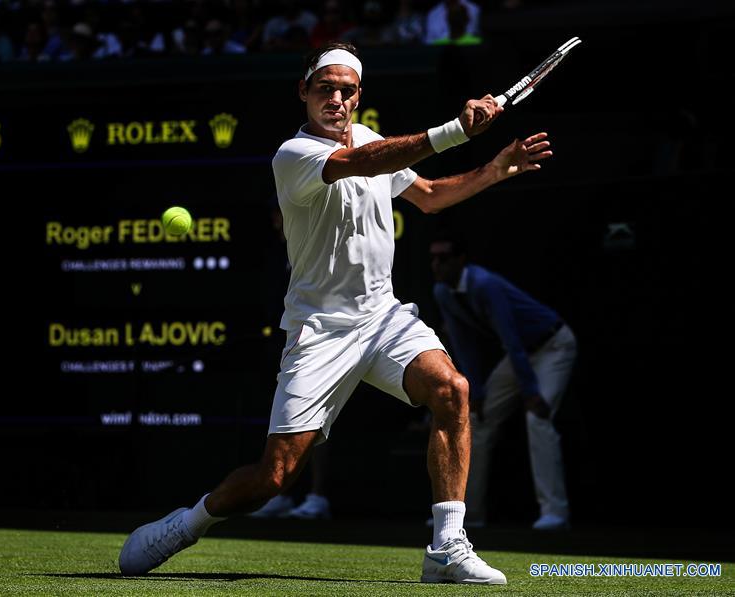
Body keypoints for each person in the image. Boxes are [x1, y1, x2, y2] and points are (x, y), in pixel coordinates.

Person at [118, 41, 552, 585]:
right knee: (274, 477)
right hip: (319, 331)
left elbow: (430, 196)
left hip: (383, 318)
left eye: (347, 91)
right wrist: (456, 131)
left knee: (452, 390)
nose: (336, 100)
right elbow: (361, 163)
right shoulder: (293, 154)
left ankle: (446, 548)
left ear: (358, 96)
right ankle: (188, 523)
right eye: (325, 89)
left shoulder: (371, 139)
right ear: (303, 92)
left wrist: (492, 170)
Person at [430, 233, 576, 531]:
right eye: (433, 259)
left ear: (460, 260)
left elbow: (511, 338)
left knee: (537, 419)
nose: (437, 265)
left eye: (444, 259)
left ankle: (555, 512)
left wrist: (531, 391)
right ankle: (466, 515)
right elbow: (463, 343)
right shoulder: (442, 292)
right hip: (520, 355)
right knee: (475, 421)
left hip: (553, 346)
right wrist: (476, 392)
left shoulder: (485, 284)